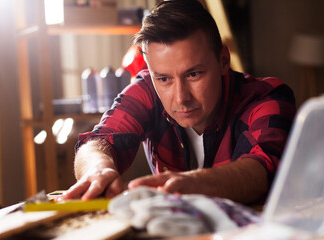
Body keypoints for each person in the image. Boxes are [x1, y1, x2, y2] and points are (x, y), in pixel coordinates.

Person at [60, 0, 296, 204]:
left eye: (194, 74)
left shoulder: (265, 97)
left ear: (224, 60)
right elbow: (98, 141)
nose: (181, 97)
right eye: (164, 79)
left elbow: (261, 171)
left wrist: (191, 185)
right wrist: (97, 169)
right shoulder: (147, 89)